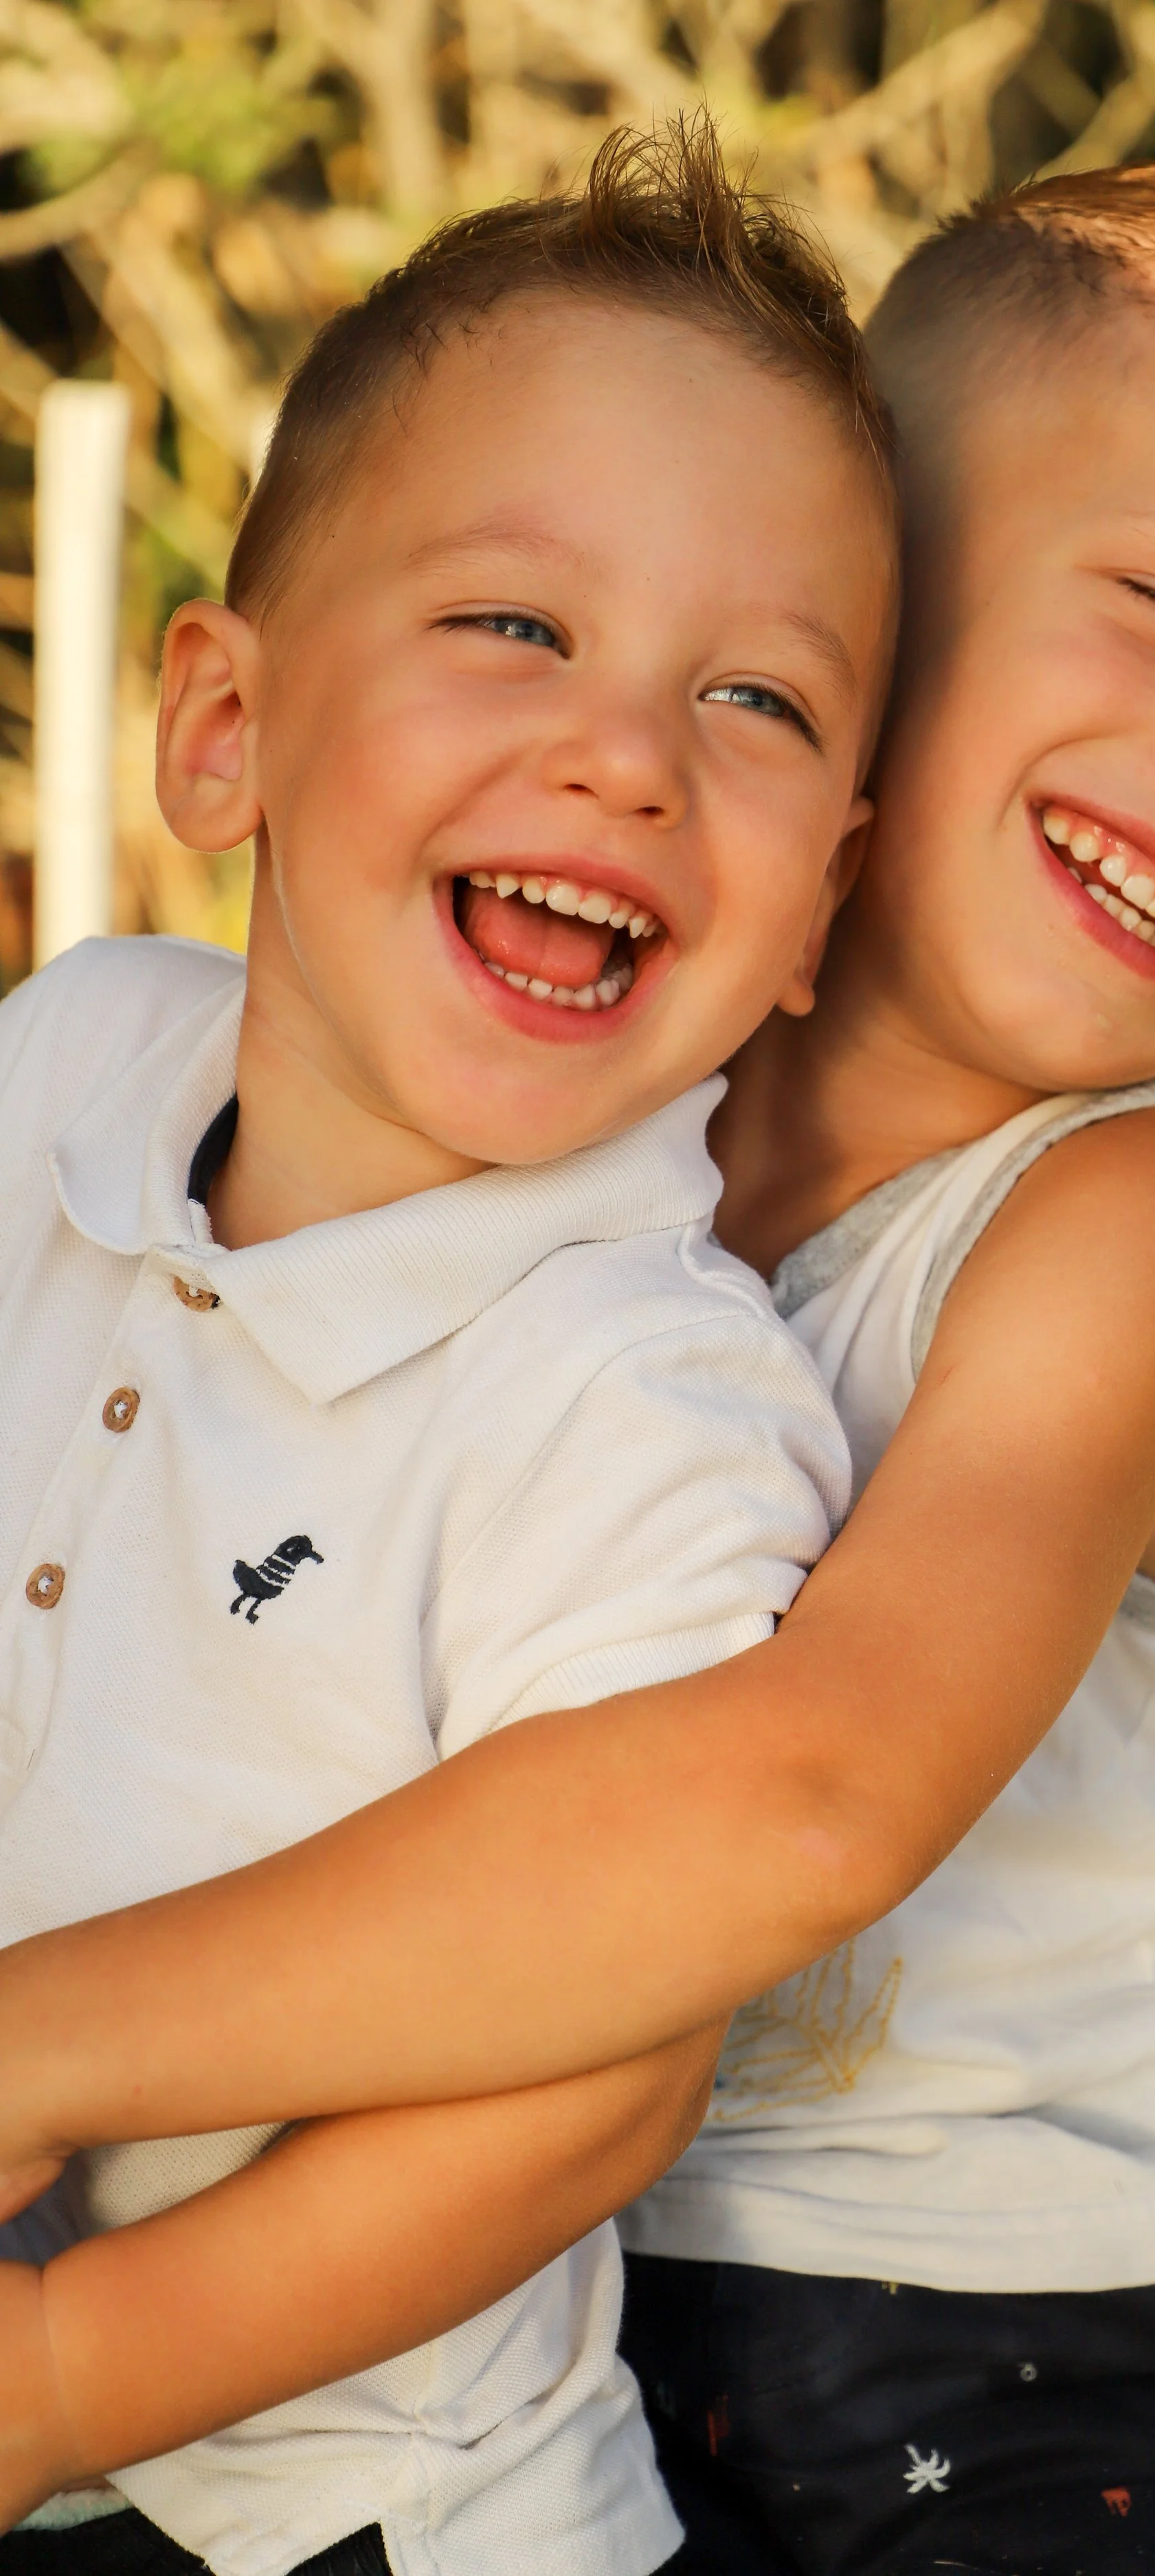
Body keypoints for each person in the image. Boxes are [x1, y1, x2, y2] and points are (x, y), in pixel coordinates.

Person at [0, 138, 1155, 2576]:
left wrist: (49, 2035)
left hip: (1001, 2339)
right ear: (879, 621)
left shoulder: (1123, 1215)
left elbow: (795, 1794)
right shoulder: (533, 1116)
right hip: (558, 2284)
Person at [0, 118, 899, 2576]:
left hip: (362, 2512)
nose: (627, 752)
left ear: (815, 907)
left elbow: (596, 2077)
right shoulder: (71, 1070)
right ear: (225, 731)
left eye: (755, 696)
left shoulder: (633, 1392)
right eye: (516, 626)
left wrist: (76, 2363)